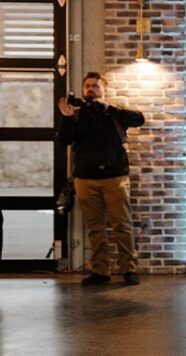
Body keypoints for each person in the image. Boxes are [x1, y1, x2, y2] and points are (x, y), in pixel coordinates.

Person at [57, 72, 145, 286]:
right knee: (95, 228)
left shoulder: (114, 113)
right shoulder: (77, 114)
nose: (91, 89)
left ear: (104, 89)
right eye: (87, 86)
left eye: (96, 86)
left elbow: (140, 118)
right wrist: (67, 117)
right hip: (86, 180)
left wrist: (109, 107)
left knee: (122, 226)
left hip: (115, 178)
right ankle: (100, 271)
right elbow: (64, 140)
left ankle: (128, 269)